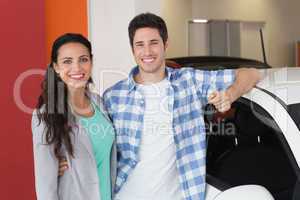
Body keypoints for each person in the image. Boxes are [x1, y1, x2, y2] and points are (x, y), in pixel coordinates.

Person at [59, 13, 261, 200]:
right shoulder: (113, 96)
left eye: (153, 43)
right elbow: (98, 140)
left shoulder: (189, 81)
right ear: (133, 49)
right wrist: (67, 160)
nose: (147, 51)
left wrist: (231, 94)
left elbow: (251, 73)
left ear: (166, 44)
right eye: (140, 44)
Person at [31, 33, 116, 200]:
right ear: (55, 67)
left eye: (83, 59)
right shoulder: (45, 114)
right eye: (67, 61)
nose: (77, 68)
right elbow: (44, 185)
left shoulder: (99, 102)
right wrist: (54, 168)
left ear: (91, 62)